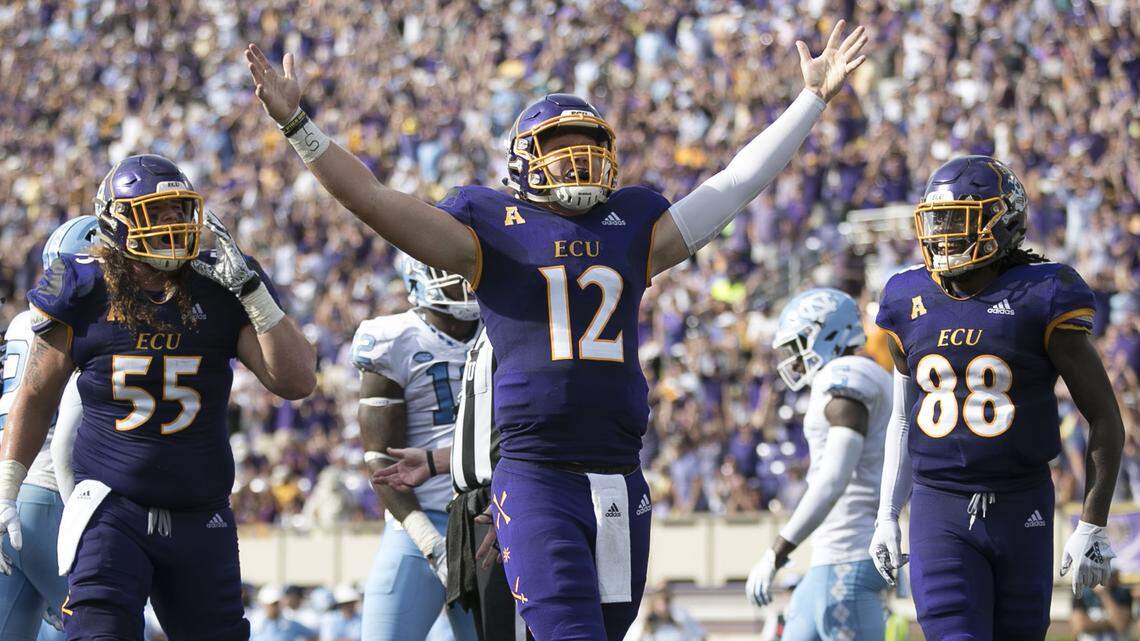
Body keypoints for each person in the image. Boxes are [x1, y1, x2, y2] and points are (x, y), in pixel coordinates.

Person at [246, 19, 868, 640]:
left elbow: (732, 185)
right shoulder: (488, 222)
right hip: (536, 470)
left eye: (587, 143)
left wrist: (810, 100)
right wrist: (299, 127)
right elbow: (374, 200)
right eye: (559, 145)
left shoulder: (633, 223)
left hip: (621, 469)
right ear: (523, 160)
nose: (577, 158)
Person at [0, 154, 316, 640]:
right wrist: (6, 488)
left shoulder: (220, 283)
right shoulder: (81, 284)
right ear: (115, 220)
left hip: (201, 514)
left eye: (178, 210)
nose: (172, 224)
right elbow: (38, 395)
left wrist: (253, 291)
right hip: (110, 507)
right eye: (156, 212)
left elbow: (295, 381)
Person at [869, 155, 1125, 641]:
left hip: (1023, 503)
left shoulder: (1043, 291)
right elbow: (904, 419)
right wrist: (886, 514)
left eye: (958, 221)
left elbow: (1104, 417)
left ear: (1001, 221)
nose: (943, 234)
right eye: (937, 220)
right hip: (939, 506)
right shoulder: (906, 297)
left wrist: (1093, 522)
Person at [745, 288, 891, 640]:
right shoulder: (859, 374)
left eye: (796, 346)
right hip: (828, 561)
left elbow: (833, 479)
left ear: (825, 333)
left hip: (848, 557)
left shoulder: (846, 375)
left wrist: (777, 551)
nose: (793, 360)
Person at [351, 255, 479, 641]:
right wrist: (430, 543)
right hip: (420, 526)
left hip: (489, 521)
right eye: (449, 266)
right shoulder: (394, 338)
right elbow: (380, 458)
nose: (463, 278)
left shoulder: (501, 330)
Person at [0, 217, 96, 641]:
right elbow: (67, 434)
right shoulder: (81, 322)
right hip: (47, 494)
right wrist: (80, 512)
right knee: (108, 628)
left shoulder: (20, 323)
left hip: (6, 492)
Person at [251, 585, 316, 641]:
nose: (273, 607)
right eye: (270, 604)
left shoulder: (291, 625)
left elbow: (313, 636)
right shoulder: (254, 625)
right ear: (263, 604)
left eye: (276, 604)